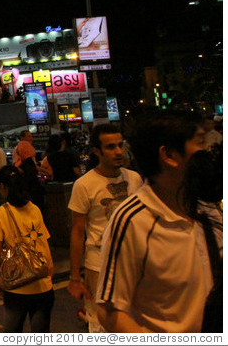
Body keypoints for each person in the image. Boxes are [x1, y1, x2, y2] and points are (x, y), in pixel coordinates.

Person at [96, 112, 219, 333]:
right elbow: (110, 311)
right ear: (170, 155)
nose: (210, 151)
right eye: (201, 142)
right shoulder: (132, 221)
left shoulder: (210, 209)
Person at [67, 123, 143, 332]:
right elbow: (77, 231)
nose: (118, 151)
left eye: (120, 145)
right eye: (110, 147)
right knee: (102, 323)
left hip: (134, 263)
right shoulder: (84, 184)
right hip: (99, 265)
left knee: (134, 321)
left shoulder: (134, 178)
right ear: (97, 151)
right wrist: (75, 277)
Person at [0, 166, 55, 333]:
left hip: (17, 286)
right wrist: (49, 270)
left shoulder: (1, 213)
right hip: (43, 284)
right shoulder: (34, 208)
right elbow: (44, 243)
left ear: (3, 187)